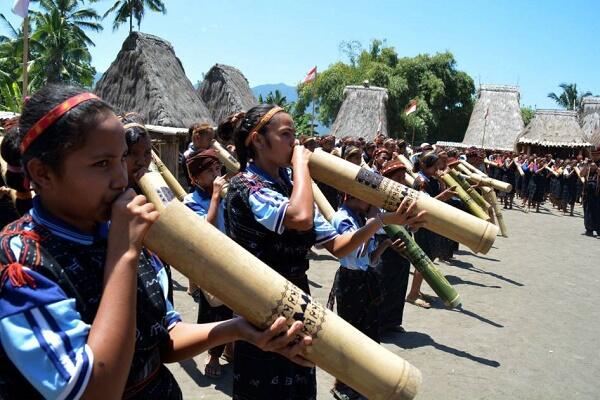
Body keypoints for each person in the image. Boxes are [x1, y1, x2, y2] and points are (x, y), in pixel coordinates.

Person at [0, 84, 312, 399]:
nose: (122, 178)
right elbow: (94, 391)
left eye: (121, 159)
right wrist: (124, 254)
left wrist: (238, 330)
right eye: (101, 164)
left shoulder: (120, 233)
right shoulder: (21, 263)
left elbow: (162, 338)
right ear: (42, 173)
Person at [225, 104, 424, 400]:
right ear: (257, 140)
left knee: (300, 384)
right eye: (286, 135)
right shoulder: (246, 184)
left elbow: (340, 246)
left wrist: (383, 220)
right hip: (261, 305)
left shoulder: (290, 184)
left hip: (298, 300)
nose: (295, 143)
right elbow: (300, 217)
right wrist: (302, 166)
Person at [182, 149, 232, 378]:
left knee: (234, 307)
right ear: (195, 179)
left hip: (232, 260)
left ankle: (230, 348)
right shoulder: (190, 201)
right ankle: (212, 355)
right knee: (213, 311)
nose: (216, 174)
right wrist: (214, 196)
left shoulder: (226, 195)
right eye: (209, 171)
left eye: (217, 168)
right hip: (210, 264)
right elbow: (205, 230)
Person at [374, 161, 412, 333]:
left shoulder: (406, 197)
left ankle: (393, 321)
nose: (402, 182)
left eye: (403, 178)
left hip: (402, 238)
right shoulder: (376, 197)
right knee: (382, 281)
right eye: (398, 178)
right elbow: (375, 219)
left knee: (400, 280)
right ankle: (378, 322)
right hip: (383, 240)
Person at [180, 123, 214, 189]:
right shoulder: (188, 157)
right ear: (197, 138)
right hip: (198, 191)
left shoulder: (208, 151)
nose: (211, 142)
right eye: (209, 139)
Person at [582, 161, 600, 236]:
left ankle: (598, 230)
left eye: (594, 166)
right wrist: (585, 167)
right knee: (588, 213)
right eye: (591, 166)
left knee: (597, 213)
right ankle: (589, 229)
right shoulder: (588, 172)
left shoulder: (598, 173)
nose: (592, 167)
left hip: (597, 196)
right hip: (588, 196)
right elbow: (581, 174)